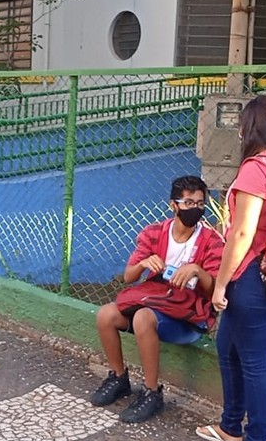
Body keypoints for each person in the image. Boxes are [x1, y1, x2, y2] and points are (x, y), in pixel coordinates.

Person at [195, 95, 266, 441]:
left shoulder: (255, 170)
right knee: (227, 345)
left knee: (255, 362)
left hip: (250, 275)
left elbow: (241, 235)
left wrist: (221, 284)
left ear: (247, 129)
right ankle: (230, 427)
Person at [90, 175, 223, 424]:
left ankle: (152, 392)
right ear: (173, 205)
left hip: (189, 314)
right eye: (188, 203)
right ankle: (119, 378)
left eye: (200, 203)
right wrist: (143, 263)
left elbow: (215, 289)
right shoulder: (154, 232)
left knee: (142, 317)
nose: (195, 208)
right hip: (157, 300)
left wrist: (197, 271)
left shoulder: (211, 241)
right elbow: (129, 277)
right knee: (106, 314)